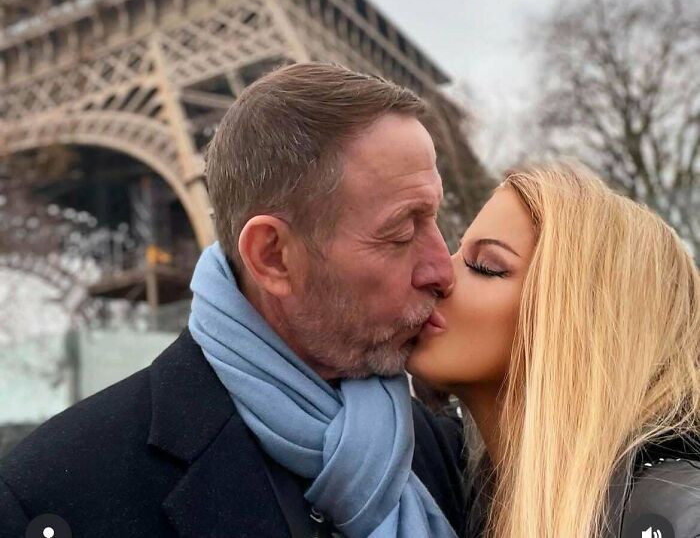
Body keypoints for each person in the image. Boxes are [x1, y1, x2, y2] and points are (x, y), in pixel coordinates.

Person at [0, 64, 466, 538]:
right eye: (402, 231)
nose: (442, 268)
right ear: (273, 257)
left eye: (434, 221)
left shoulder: (438, 446)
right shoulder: (53, 493)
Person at [407, 162, 700, 538]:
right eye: (457, 252)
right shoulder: (465, 495)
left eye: (485, 266)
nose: (441, 275)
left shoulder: (675, 512)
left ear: (582, 320)